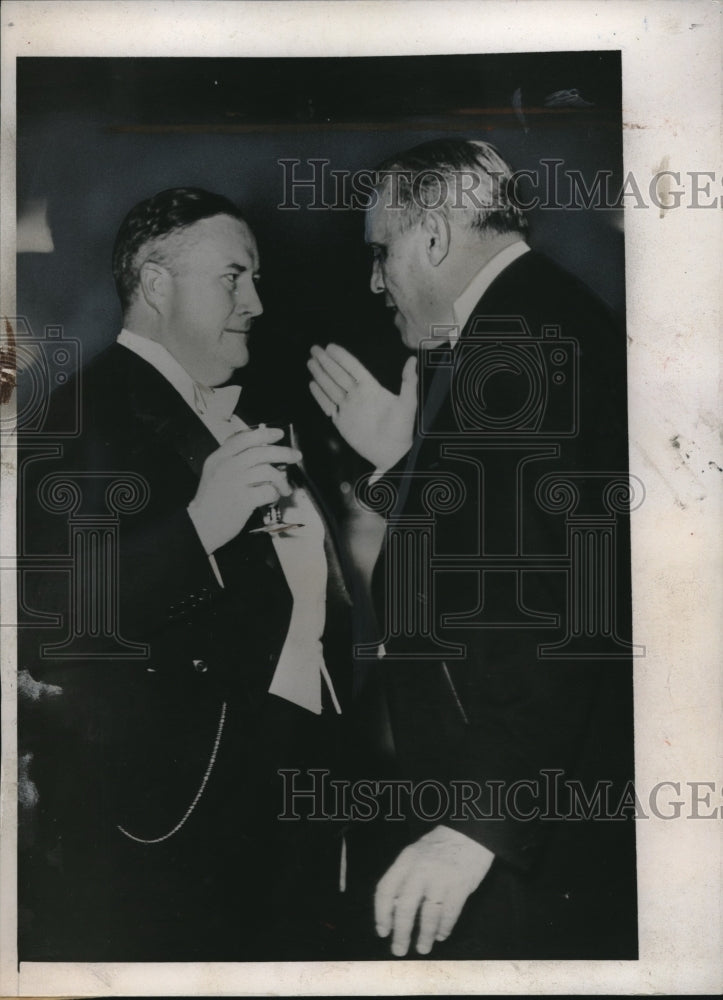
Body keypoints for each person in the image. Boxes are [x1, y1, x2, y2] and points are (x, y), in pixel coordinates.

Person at [308, 138, 637, 959]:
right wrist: (400, 465)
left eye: (381, 252)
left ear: (432, 239)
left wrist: (472, 825)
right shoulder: (528, 321)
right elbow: (486, 553)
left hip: (512, 830)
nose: (374, 282)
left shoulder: (514, 346)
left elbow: (564, 602)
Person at [18, 188, 351, 961]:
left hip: (281, 785)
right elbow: (46, 616)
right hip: (176, 814)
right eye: (233, 278)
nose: (257, 302)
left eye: (256, 278)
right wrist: (200, 525)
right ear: (156, 286)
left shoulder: (251, 406)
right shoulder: (78, 417)